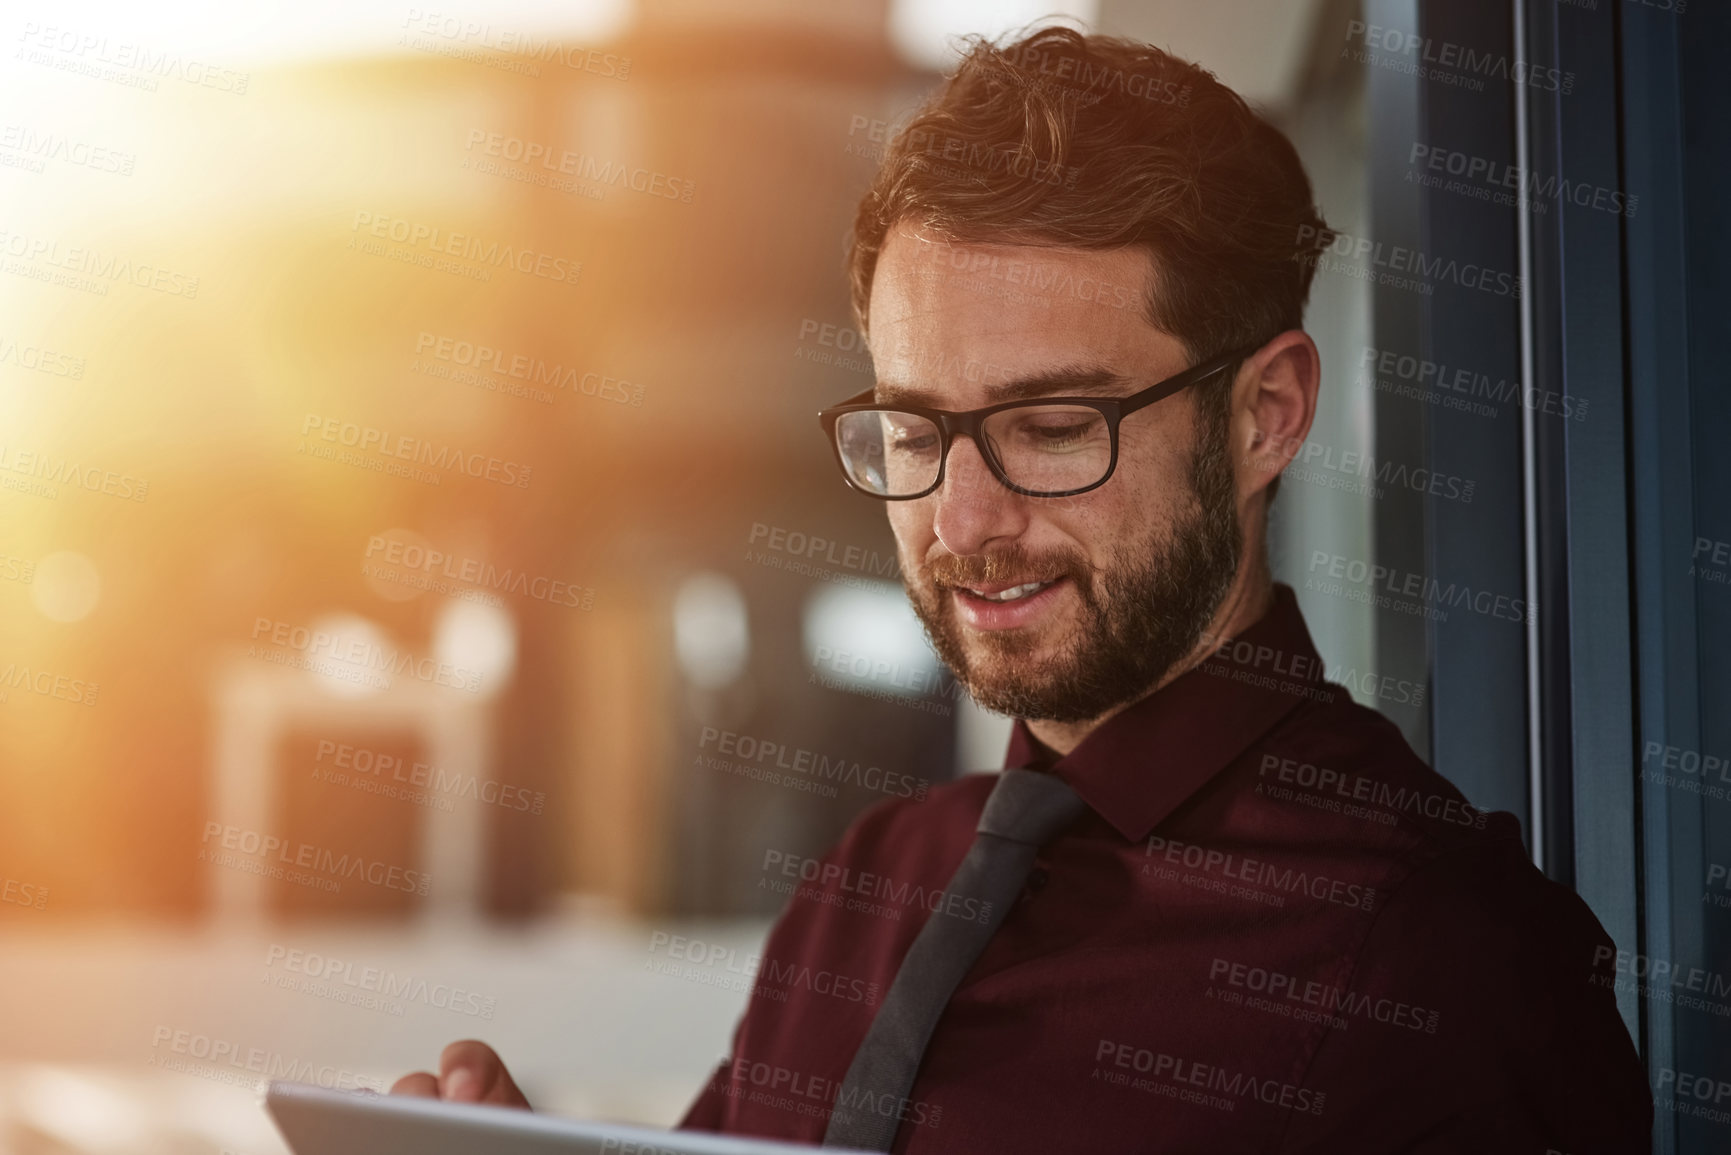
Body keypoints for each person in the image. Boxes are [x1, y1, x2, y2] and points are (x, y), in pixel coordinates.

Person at [392, 26, 1652, 1152]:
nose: (963, 523)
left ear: (1265, 416)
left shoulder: (1453, 970)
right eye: (914, 428)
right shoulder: (869, 886)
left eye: (1052, 426)